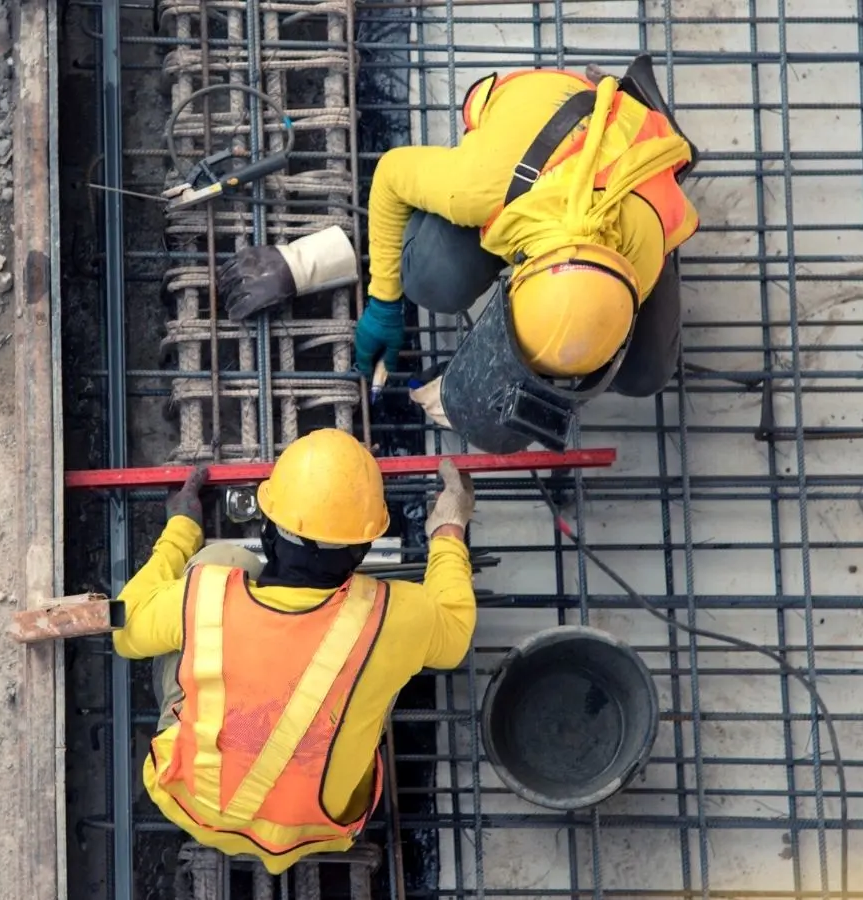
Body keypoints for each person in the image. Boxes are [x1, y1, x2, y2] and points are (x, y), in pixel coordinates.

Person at [220, 58, 700, 452]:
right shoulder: (481, 186)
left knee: (646, 374)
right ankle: (613, 94)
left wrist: (474, 390)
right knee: (431, 279)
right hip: (543, 122)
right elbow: (389, 176)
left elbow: (575, 340)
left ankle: (643, 109)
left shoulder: (645, 248)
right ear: (517, 276)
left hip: (636, 170)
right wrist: (384, 300)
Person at [112, 428, 477, 874]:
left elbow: (125, 629)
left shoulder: (206, 596)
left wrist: (181, 528)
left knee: (220, 563)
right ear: (363, 549)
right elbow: (456, 632)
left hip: (192, 802)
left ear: (268, 532)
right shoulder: (395, 615)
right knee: (383, 663)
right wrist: (448, 528)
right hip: (320, 828)